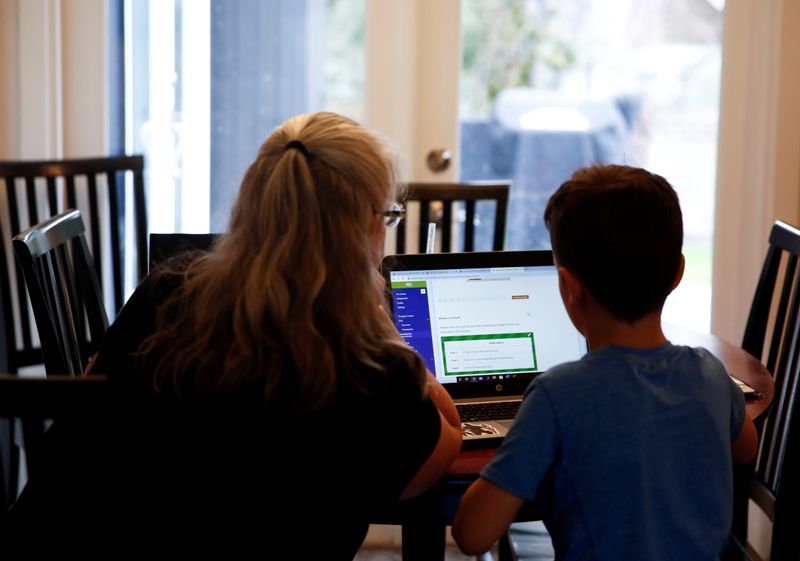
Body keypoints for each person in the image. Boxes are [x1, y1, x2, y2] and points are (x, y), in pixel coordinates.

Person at [8, 111, 462, 556]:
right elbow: (445, 444)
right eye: (387, 216)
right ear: (365, 226)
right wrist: (386, 330)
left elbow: (94, 400)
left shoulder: (167, 293)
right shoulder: (372, 368)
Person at [452, 164, 758, 560]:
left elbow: (473, 535)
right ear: (678, 273)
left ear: (568, 286)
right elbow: (745, 449)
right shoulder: (711, 374)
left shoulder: (556, 395)